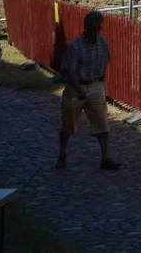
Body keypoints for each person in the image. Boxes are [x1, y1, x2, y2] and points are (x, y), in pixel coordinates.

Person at [57, 10, 121, 171]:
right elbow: (70, 71)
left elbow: (106, 61)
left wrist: (101, 83)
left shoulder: (102, 43)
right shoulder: (75, 46)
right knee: (68, 124)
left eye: (99, 28)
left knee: (102, 122)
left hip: (95, 85)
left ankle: (105, 158)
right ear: (86, 28)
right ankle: (62, 154)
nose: (97, 31)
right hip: (75, 87)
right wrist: (79, 90)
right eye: (94, 28)